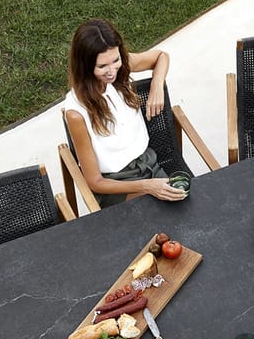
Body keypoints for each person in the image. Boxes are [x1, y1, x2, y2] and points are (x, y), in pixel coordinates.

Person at [64, 18, 186, 208]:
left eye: (115, 60)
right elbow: (95, 181)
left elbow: (161, 56)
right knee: (155, 218)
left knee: (183, 211)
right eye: (102, 66)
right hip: (117, 185)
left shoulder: (120, 66)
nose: (112, 71)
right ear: (85, 66)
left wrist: (157, 86)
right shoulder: (76, 113)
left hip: (149, 164)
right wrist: (147, 186)